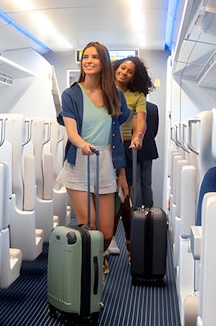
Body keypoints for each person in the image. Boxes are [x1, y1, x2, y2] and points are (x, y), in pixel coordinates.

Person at [57, 41, 131, 274]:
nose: (88, 61)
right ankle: (91, 271)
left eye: (95, 57)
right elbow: (71, 132)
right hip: (79, 161)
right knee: (89, 226)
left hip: (106, 162)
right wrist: (82, 144)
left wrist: (122, 174)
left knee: (107, 232)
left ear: (104, 62)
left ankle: (100, 255)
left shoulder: (115, 94)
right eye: (85, 57)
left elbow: (117, 134)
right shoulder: (71, 94)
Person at [110, 56, 155, 261]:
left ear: (134, 77)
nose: (124, 72)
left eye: (130, 71)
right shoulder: (105, 89)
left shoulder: (137, 96)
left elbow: (141, 120)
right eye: (122, 68)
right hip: (104, 148)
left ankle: (126, 243)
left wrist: (138, 137)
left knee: (124, 198)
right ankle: (111, 242)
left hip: (126, 148)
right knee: (104, 198)